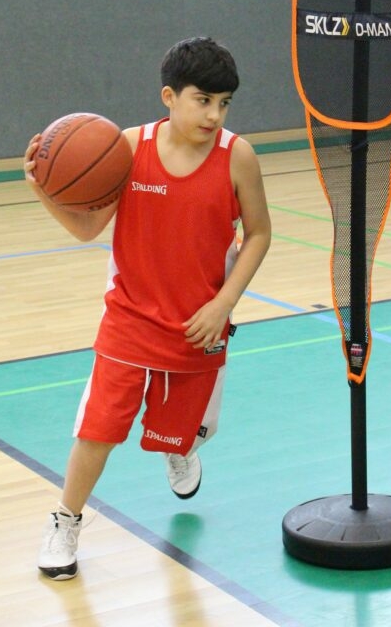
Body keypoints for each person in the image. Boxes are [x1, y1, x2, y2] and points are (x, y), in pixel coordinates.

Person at [24, 37, 271, 579]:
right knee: (98, 429)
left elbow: (258, 233)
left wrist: (224, 302)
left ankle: (178, 445)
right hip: (129, 320)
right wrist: (43, 188)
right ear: (169, 96)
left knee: (188, 430)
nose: (214, 114)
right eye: (202, 100)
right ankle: (65, 519)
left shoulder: (238, 156)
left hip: (199, 325)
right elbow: (88, 228)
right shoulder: (127, 148)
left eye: (224, 103)